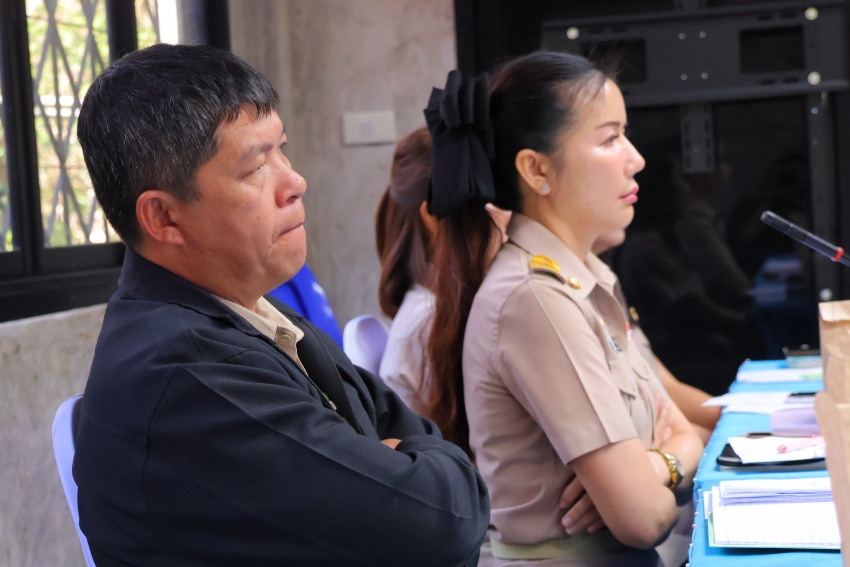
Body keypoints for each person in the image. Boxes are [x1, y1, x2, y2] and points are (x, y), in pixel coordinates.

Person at [73, 43, 489, 567]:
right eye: (255, 168)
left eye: (282, 150)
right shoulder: (190, 373)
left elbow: (410, 432)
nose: (295, 182)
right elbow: (445, 525)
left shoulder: (255, 312)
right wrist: (390, 460)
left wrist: (397, 459)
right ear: (164, 218)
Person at [425, 52, 704, 565]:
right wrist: (670, 459)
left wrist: (657, 464)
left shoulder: (586, 278)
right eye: (610, 139)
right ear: (536, 169)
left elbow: (686, 430)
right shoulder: (536, 299)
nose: (636, 158)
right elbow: (643, 518)